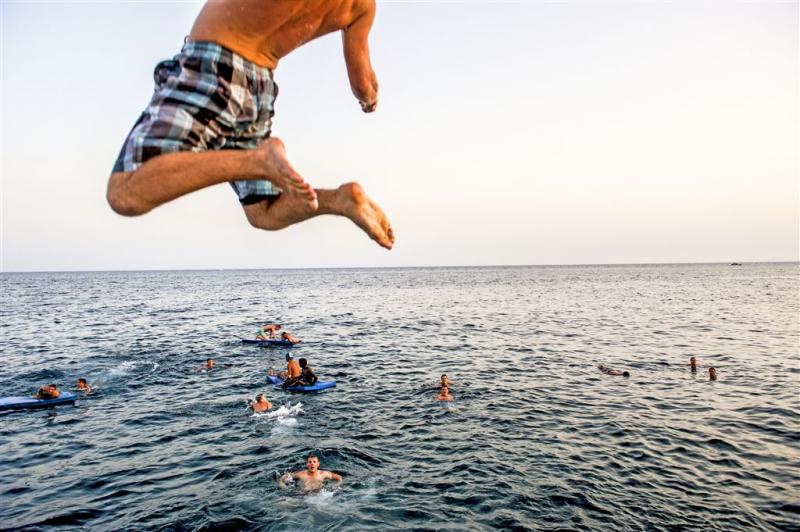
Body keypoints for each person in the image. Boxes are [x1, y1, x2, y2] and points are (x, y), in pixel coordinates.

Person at [106, 0, 394, 251]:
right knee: (262, 212)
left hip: (215, 62)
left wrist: (257, 163)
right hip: (258, 88)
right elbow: (363, 85)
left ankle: (258, 160)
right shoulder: (363, 5)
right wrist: (370, 99)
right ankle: (341, 200)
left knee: (127, 191)